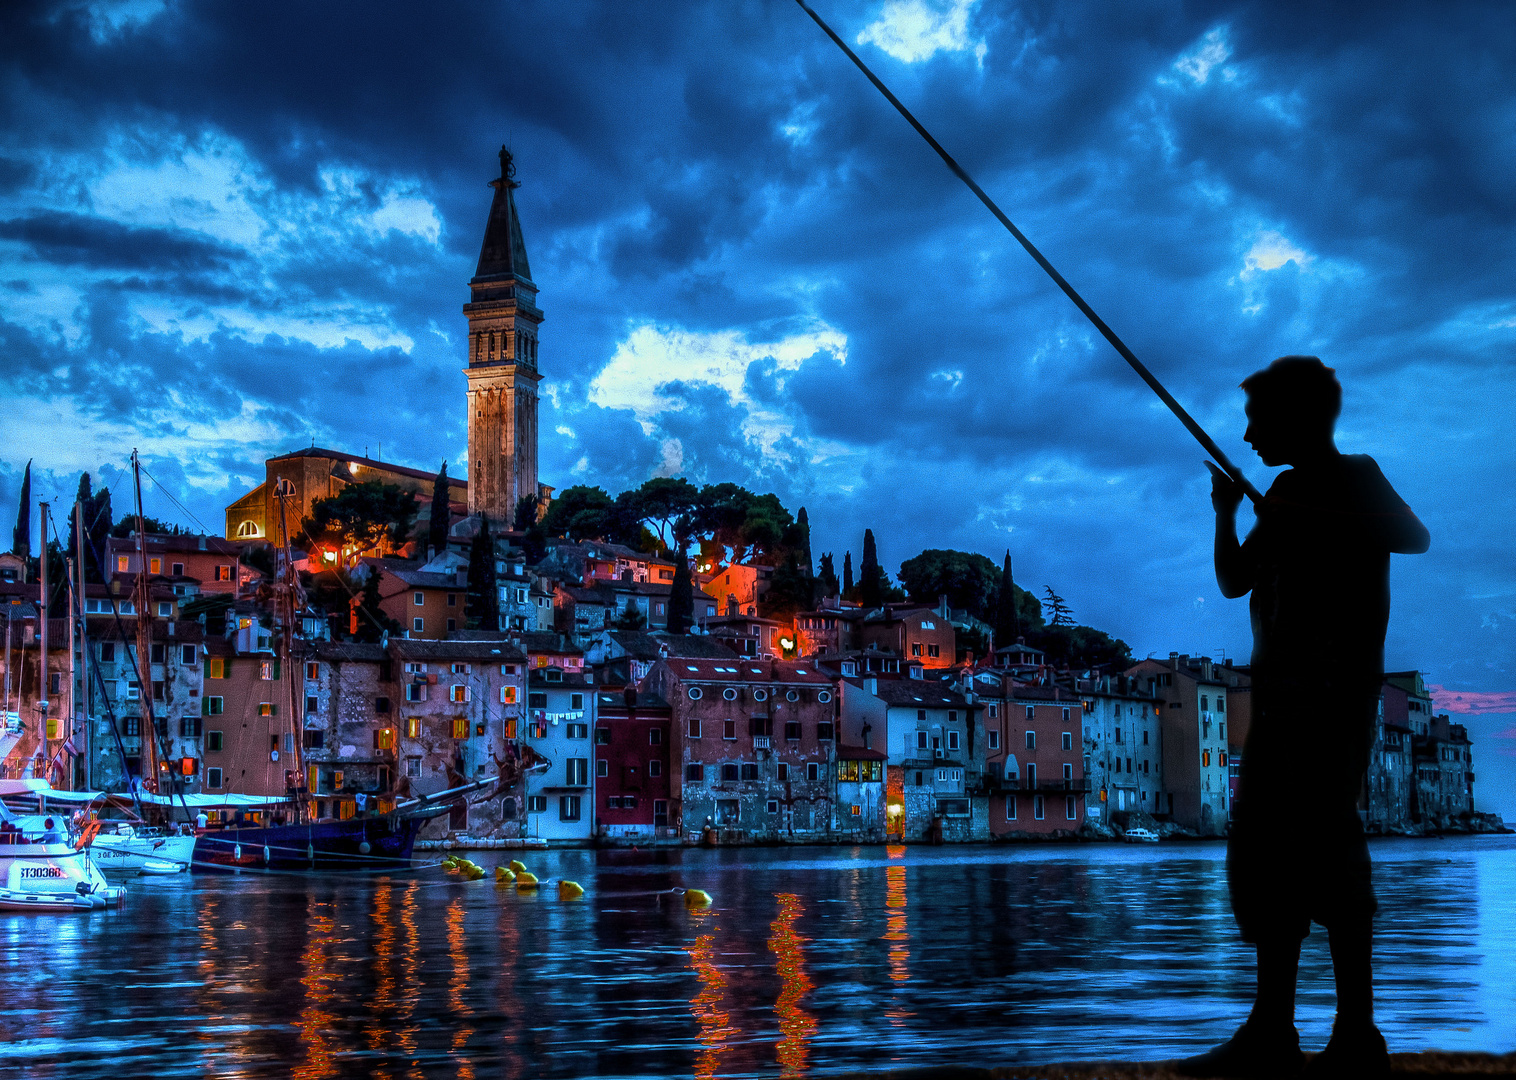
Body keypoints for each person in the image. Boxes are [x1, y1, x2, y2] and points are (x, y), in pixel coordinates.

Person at [1179, 357, 1429, 1079]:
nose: (1249, 433)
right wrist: (1230, 514)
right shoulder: (1282, 493)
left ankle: (1357, 1036)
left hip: (1334, 696)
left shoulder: (1355, 475)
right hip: (1280, 698)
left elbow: (1414, 539)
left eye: (1260, 418)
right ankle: (1271, 1029)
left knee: (1329, 845)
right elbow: (1234, 582)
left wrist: (1307, 515)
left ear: (1299, 417)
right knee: (1262, 850)